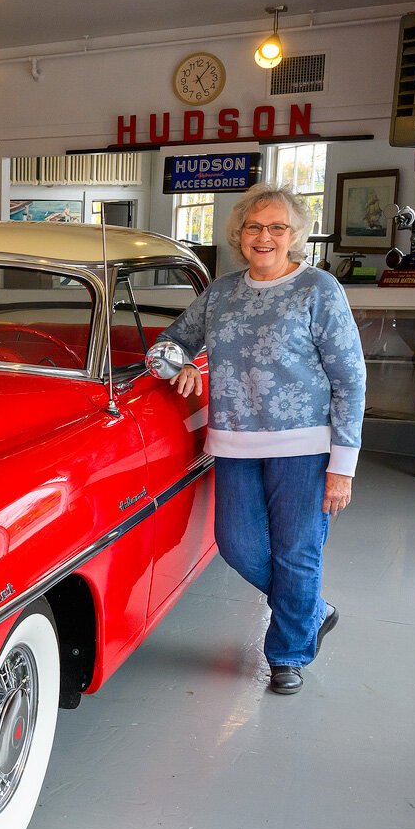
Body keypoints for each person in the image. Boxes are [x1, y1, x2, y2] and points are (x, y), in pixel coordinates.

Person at [152, 182, 366, 694]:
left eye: (277, 227)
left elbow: (350, 377)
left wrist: (344, 464)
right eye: (254, 226)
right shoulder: (222, 292)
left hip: (306, 446)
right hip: (234, 444)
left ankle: (288, 653)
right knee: (238, 544)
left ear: (295, 236)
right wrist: (179, 364)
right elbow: (169, 342)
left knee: (297, 553)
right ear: (238, 234)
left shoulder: (318, 289)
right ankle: (312, 609)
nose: (264, 236)